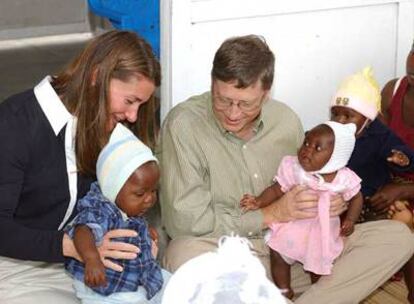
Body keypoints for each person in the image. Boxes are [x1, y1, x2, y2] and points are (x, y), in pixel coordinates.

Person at [158, 34, 414, 303]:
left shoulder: (285, 120)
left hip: (300, 253)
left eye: (246, 104)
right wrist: (270, 213)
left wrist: (334, 202)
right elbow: (184, 222)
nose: (233, 113)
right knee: (181, 254)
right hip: (232, 253)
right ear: (212, 83)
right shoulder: (184, 125)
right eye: (222, 100)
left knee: (396, 237)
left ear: (266, 93)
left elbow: (314, 177)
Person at [0, 30, 161, 304]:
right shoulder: (15, 123)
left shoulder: (107, 127)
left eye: (141, 104)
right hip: (18, 267)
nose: (133, 116)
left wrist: (136, 234)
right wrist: (71, 247)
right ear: (97, 76)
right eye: (130, 101)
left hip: (85, 262)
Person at [240, 121, 363, 299]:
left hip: (321, 232)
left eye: (317, 148)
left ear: (336, 156)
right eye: (306, 143)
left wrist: (350, 219)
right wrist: (258, 201)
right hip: (293, 227)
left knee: (319, 266)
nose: (307, 150)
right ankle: (283, 290)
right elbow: (276, 189)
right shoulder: (295, 169)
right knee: (277, 253)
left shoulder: (343, 178)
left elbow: (357, 197)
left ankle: (319, 294)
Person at [65, 123, 170, 304]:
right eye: (140, 193)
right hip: (108, 285)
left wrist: (146, 232)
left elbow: (133, 225)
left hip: (140, 277)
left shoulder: (129, 207)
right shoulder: (101, 209)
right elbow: (82, 230)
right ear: (113, 188)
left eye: (153, 191)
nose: (149, 199)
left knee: (177, 286)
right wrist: (92, 259)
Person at [329, 66, 414, 222]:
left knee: (391, 215)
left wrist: (402, 158)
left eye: (348, 116)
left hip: (370, 196)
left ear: (367, 120)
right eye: (335, 114)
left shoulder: (379, 135)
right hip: (340, 197)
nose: (340, 120)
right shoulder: (331, 132)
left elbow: (398, 149)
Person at [162, 235, 287, 304]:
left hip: (291, 251)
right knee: (181, 252)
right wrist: (267, 214)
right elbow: (184, 221)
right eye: (141, 195)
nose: (149, 198)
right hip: (218, 243)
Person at [381, 42, 414, 303]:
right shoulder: (392, 90)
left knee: (399, 220)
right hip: (392, 183)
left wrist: (403, 190)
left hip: (404, 188)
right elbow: (376, 145)